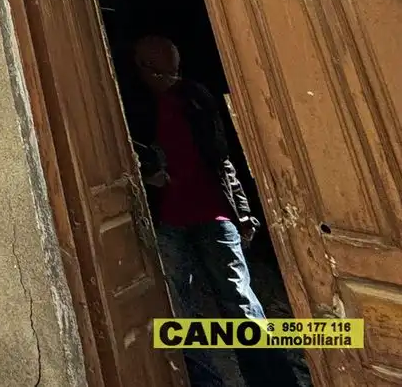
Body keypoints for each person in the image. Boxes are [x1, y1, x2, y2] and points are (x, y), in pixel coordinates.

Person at [127, 35, 299, 387]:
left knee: (240, 302)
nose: (169, 76)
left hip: (214, 215)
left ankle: (274, 380)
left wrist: (242, 210)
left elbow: (222, 160)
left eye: (173, 69)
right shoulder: (132, 106)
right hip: (166, 220)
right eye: (160, 70)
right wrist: (147, 177)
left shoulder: (195, 98)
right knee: (179, 309)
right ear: (143, 68)